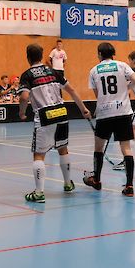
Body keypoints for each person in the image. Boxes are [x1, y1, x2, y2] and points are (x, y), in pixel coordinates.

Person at [18, 43, 91, 203]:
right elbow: (71, 90)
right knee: (63, 149)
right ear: (42, 56)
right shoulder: (54, 71)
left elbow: (24, 97)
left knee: (39, 155)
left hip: (45, 116)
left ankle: (39, 193)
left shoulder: (27, 75)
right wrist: (83, 109)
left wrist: (22, 112)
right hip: (61, 113)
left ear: (28, 58)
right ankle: (68, 183)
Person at [83, 42, 135, 196]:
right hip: (123, 112)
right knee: (126, 149)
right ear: (113, 53)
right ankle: (129, 186)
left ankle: (96, 180)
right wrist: (126, 88)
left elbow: (98, 95)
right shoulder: (122, 65)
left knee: (99, 148)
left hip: (104, 113)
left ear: (99, 54)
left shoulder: (94, 70)